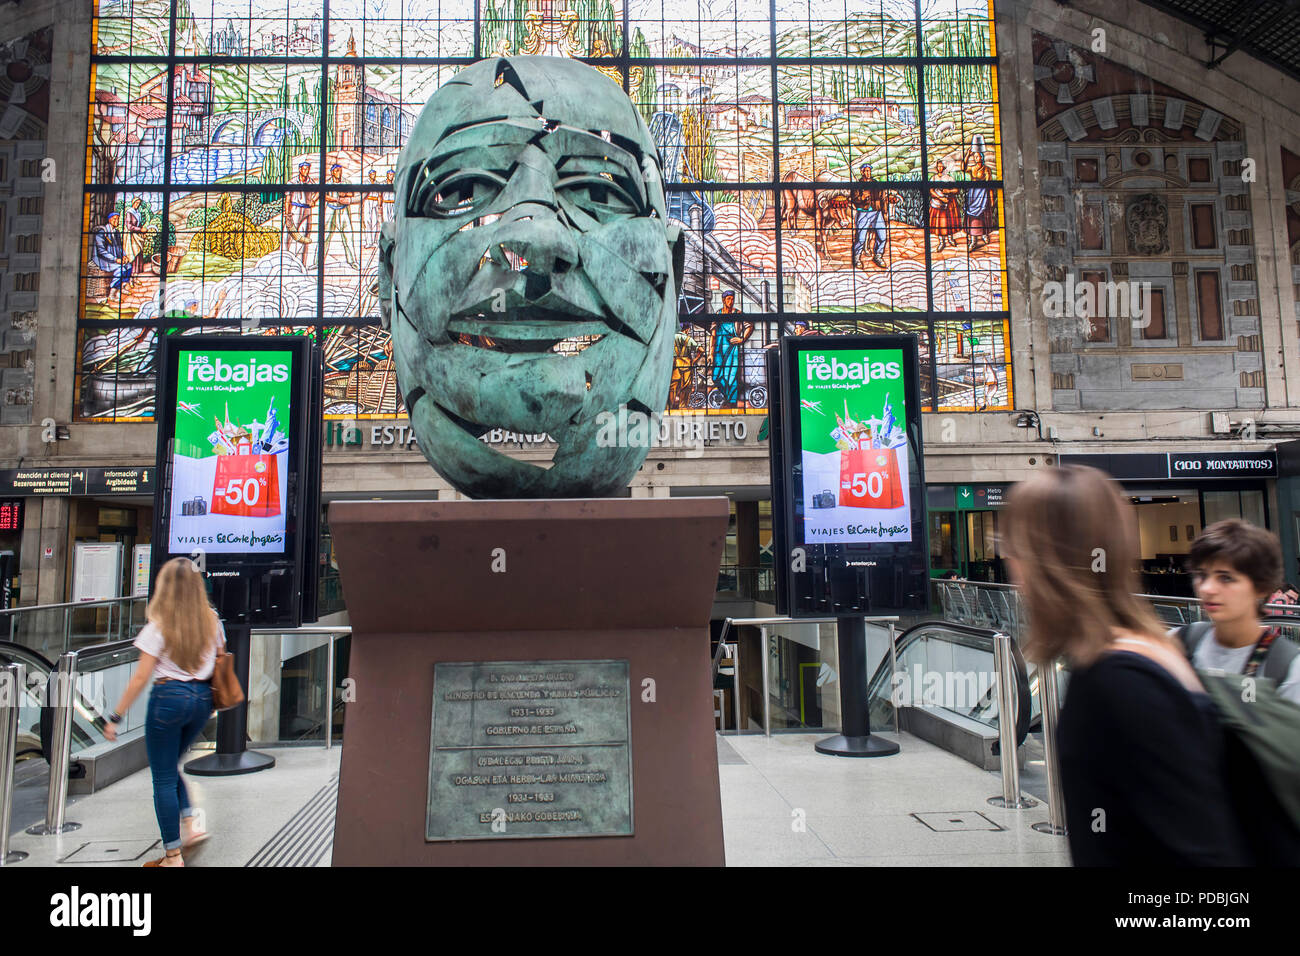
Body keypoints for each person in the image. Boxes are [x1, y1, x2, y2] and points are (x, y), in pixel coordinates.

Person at [1002, 466, 1248, 866]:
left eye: (1014, 545)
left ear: (1045, 558)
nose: (1009, 562)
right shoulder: (1149, 651)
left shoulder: (1118, 681)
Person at [104, 557, 226, 867]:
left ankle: (173, 856)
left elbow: (141, 677)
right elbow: (221, 659)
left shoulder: (158, 625)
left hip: (167, 700)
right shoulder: (212, 619)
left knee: (162, 777)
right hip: (201, 701)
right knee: (171, 766)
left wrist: (116, 716)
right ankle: (192, 825)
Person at [1182, 520, 1300, 705]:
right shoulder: (1182, 642)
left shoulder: (1287, 668)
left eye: (1226, 578)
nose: (1207, 588)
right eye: (1202, 575)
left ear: (1261, 586)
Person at [708, 292, 753, 407]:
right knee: (716, 376)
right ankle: (727, 397)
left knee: (731, 376)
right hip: (718, 348)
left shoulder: (738, 313)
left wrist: (742, 339)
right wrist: (710, 353)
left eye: (732, 299)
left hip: (732, 349)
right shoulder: (718, 314)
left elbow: (750, 325)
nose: (730, 301)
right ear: (723, 300)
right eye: (728, 299)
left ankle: (731, 402)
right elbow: (713, 335)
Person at [849, 163, 897, 269]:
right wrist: (862, 197)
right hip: (863, 213)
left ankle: (878, 255)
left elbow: (882, 197)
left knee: (882, 236)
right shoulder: (857, 185)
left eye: (869, 170)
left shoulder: (876, 183)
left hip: (877, 211)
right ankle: (856, 258)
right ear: (861, 172)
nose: (868, 172)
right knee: (860, 239)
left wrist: (884, 212)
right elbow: (854, 199)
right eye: (865, 171)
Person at [89, 211, 133, 296]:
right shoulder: (102, 232)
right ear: (109, 220)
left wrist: (124, 256)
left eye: (118, 219)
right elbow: (101, 251)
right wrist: (115, 260)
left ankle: (122, 287)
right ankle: (112, 292)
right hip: (103, 260)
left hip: (115, 258)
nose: (117, 221)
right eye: (114, 219)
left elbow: (119, 247)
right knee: (121, 269)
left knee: (129, 266)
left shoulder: (116, 233)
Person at [928, 161, 962, 253]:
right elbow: (931, 190)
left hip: (949, 203)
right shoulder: (933, 178)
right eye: (938, 166)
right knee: (940, 224)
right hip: (937, 203)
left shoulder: (949, 178)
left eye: (941, 166)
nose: (940, 168)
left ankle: (950, 239)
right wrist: (940, 198)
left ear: (944, 167)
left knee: (949, 222)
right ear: (936, 167)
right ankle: (942, 242)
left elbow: (956, 190)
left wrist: (949, 191)